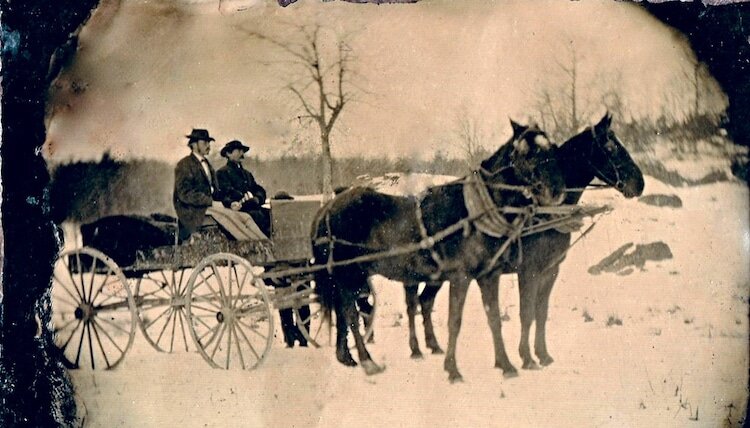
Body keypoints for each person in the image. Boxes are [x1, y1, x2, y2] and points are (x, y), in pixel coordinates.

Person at [173, 128, 221, 241]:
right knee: (232, 219)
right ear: (194, 144)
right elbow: (185, 194)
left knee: (241, 217)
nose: (208, 145)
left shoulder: (207, 164)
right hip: (192, 214)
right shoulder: (184, 164)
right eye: (205, 142)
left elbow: (215, 191)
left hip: (208, 210)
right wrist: (210, 202)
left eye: (209, 142)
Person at [216, 140, 271, 236]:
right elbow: (224, 194)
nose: (242, 153)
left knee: (271, 215)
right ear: (228, 153)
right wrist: (242, 200)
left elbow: (258, 189)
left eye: (243, 151)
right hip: (237, 213)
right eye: (238, 150)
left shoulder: (246, 174)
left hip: (253, 210)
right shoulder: (222, 173)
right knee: (258, 218)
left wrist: (257, 198)